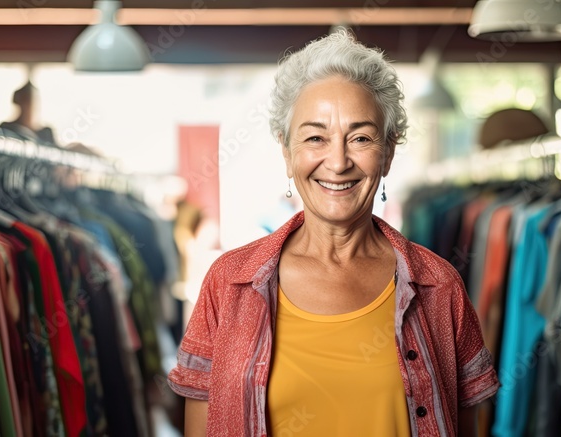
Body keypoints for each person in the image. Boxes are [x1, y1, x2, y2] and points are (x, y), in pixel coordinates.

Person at [167, 31, 499, 436]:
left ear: (388, 153)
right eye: (315, 138)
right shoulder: (228, 283)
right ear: (287, 153)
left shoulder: (440, 287)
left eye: (360, 137)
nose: (338, 161)